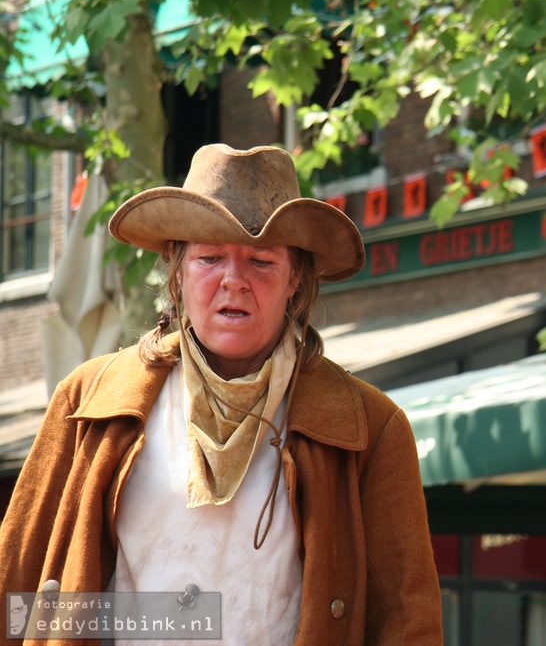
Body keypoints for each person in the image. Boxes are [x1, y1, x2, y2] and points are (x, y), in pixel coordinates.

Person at [0, 144, 443, 644]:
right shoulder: (87, 401)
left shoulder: (371, 428)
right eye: (210, 258)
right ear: (178, 269)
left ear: (295, 278)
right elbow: (13, 591)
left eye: (261, 261)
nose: (235, 281)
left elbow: (410, 624)